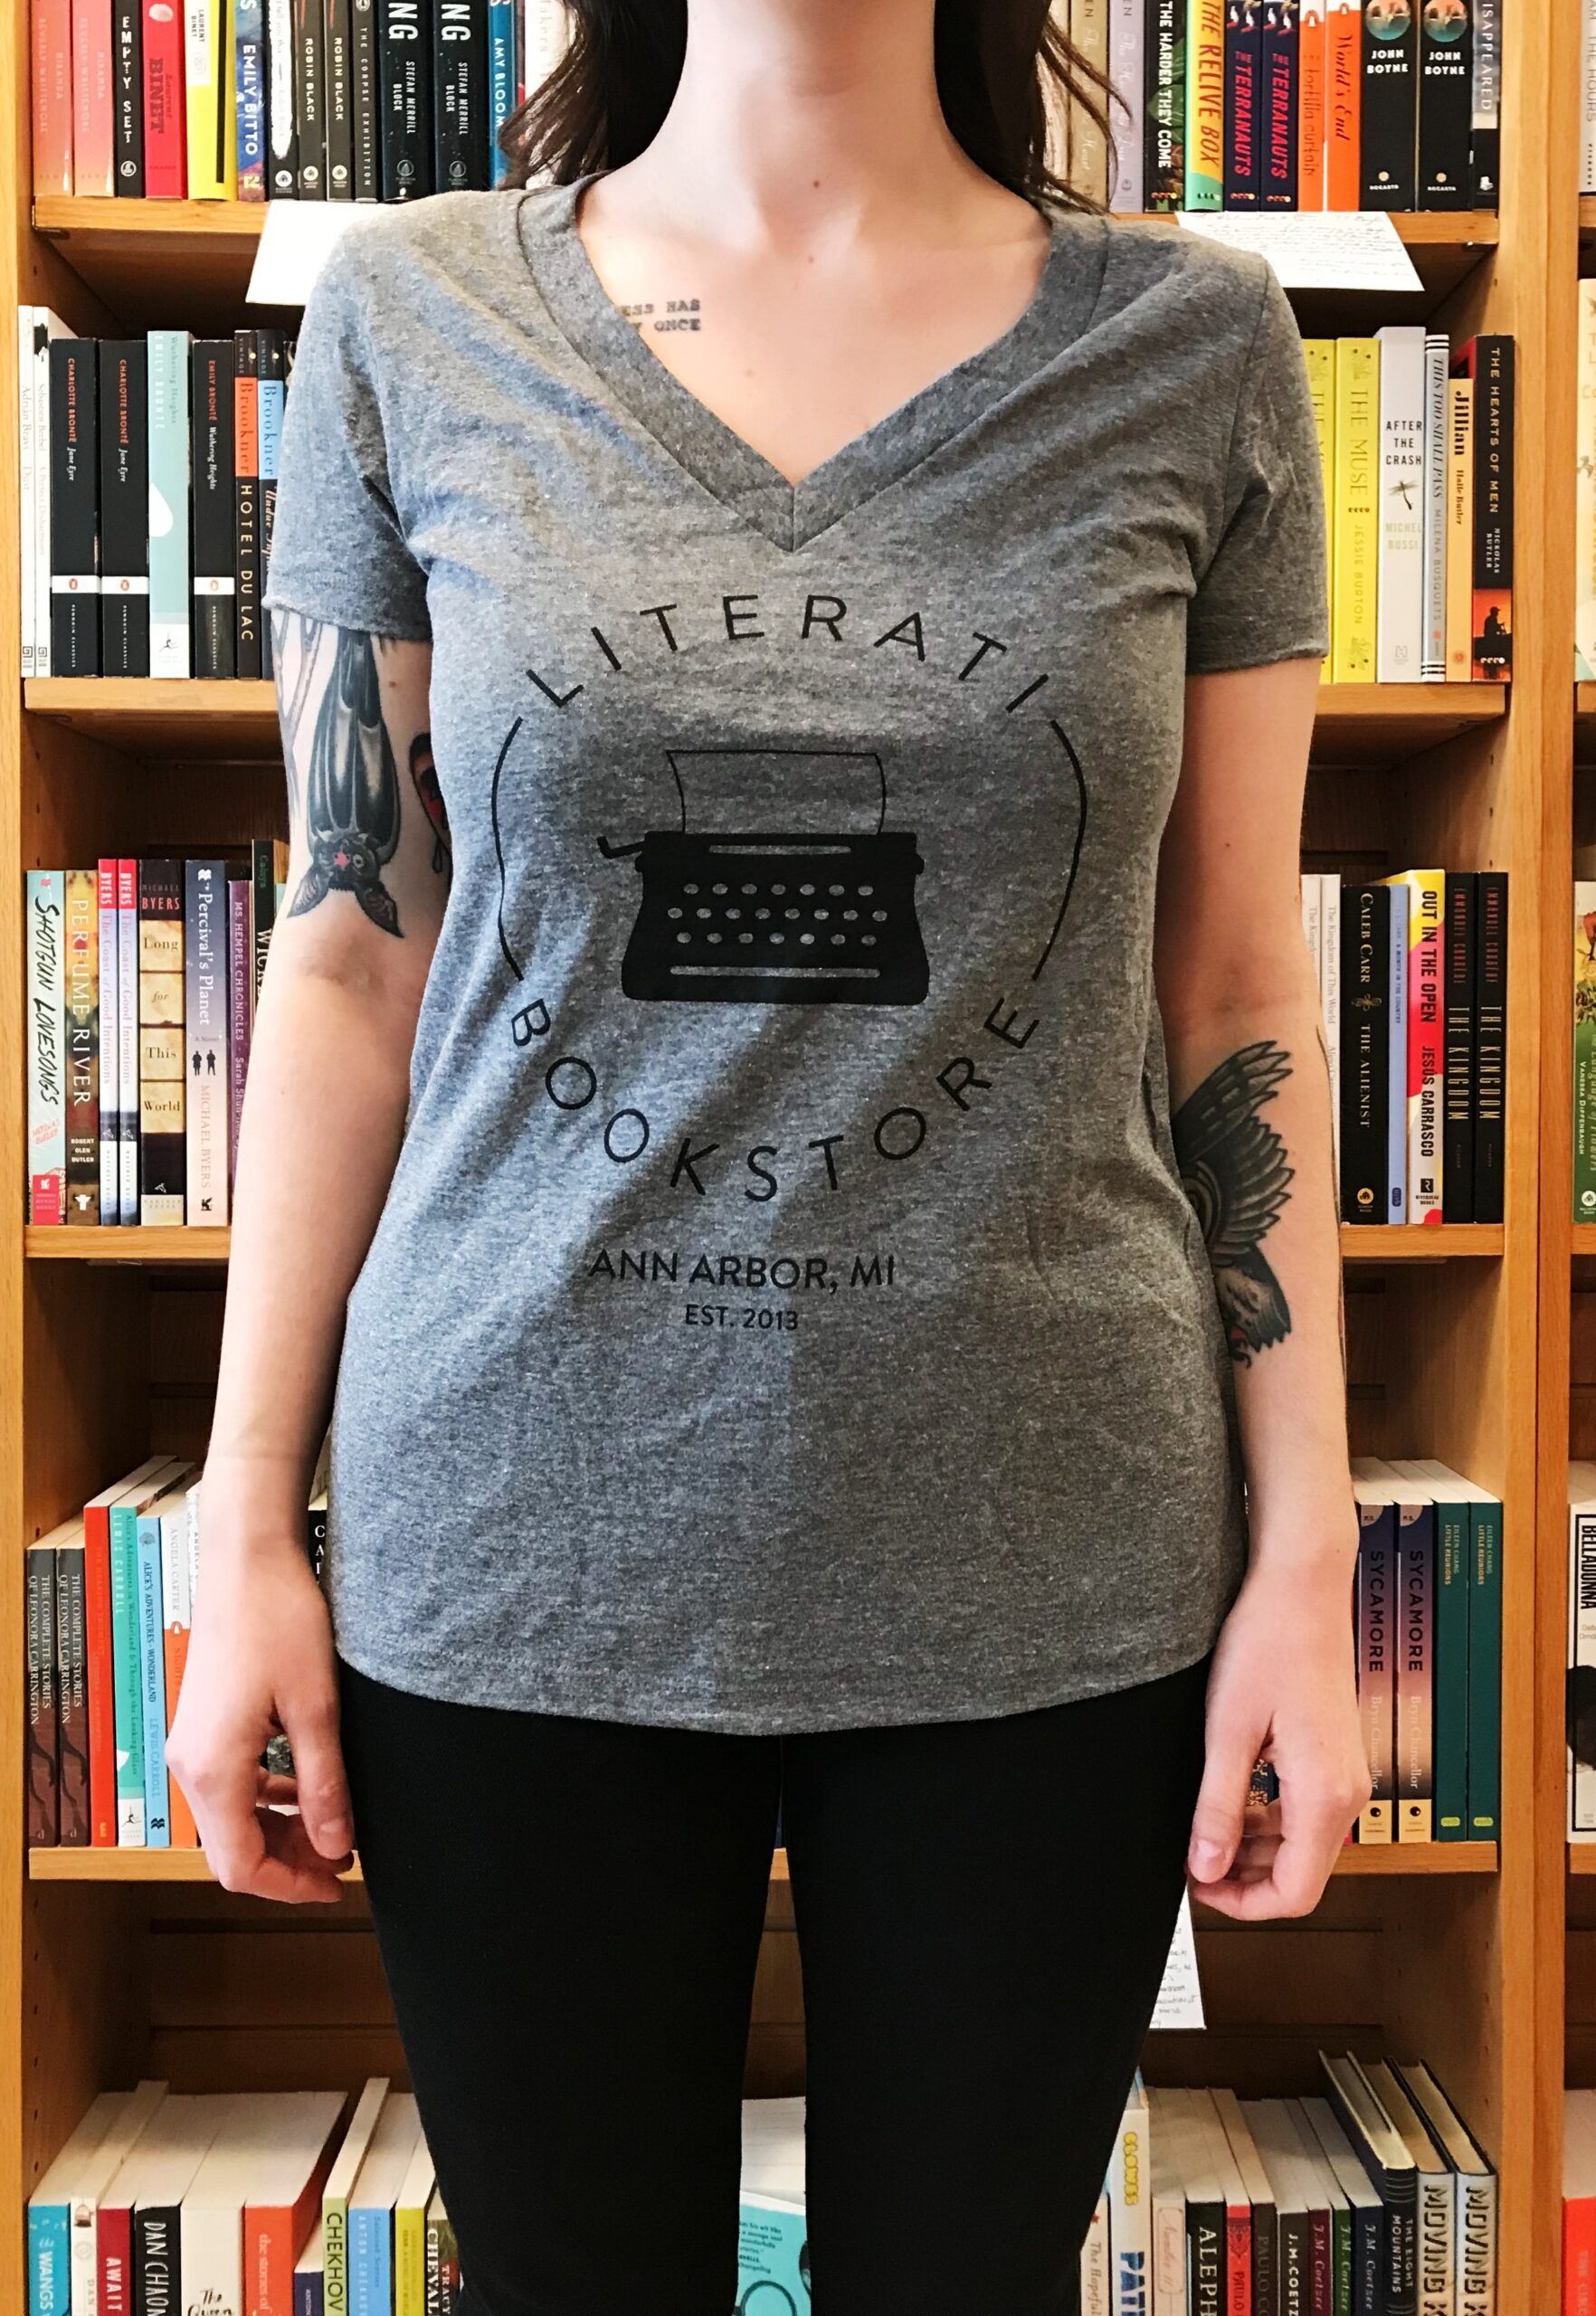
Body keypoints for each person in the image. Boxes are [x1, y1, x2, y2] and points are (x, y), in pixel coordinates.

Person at [166, 3, 1371, 2308]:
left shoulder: (1196, 345)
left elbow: (1234, 985)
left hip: (1052, 1545)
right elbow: (343, 959)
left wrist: (1303, 1546)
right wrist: (244, 1527)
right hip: (515, 1538)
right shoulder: (407, 316)